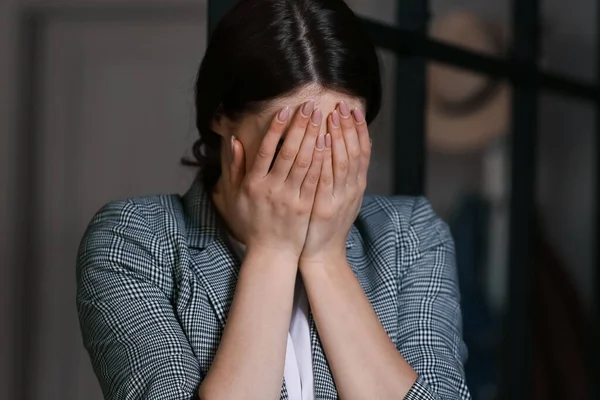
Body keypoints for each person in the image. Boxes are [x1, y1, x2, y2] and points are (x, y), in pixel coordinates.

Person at [76, 0, 470, 399]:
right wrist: (272, 252)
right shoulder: (136, 239)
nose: (313, 165)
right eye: (289, 143)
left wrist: (326, 259)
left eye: (340, 141)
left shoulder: (410, 235)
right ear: (221, 116)